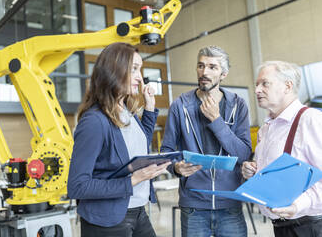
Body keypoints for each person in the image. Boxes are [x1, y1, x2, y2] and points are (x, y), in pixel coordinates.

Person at [67, 42, 170, 237]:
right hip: (107, 218)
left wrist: (149, 110)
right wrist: (134, 179)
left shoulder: (127, 112)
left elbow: (137, 147)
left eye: (140, 70)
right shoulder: (94, 121)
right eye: (134, 69)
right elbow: (77, 186)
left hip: (138, 210)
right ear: (114, 70)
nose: (140, 78)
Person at [161, 45, 252, 237]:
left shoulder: (238, 105)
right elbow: (166, 152)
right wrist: (176, 168)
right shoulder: (180, 106)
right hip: (193, 207)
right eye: (201, 66)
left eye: (212, 67)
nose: (204, 72)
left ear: (224, 74)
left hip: (230, 206)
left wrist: (217, 121)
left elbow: (243, 154)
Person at [242, 60, 322, 237]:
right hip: (281, 227)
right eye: (256, 84)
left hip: (311, 227)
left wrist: (298, 205)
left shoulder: (311, 120)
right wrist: (253, 169)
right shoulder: (266, 128)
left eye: (265, 83)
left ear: (287, 86)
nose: (257, 90)